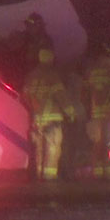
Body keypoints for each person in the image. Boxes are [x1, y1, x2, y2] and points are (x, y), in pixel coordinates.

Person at [22, 48, 76, 181]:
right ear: (51, 59)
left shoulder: (30, 76)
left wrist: (33, 109)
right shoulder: (53, 76)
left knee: (39, 150)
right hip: (53, 121)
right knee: (52, 149)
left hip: (36, 121)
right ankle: (49, 179)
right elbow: (61, 96)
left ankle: (40, 176)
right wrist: (71, 112)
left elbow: (24, 96)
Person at [81, 41, 110, 179]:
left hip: (96, 112)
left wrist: (87, 108)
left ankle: (97, 171)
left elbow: (85, 91)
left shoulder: (92, 69)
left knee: (97, 142)